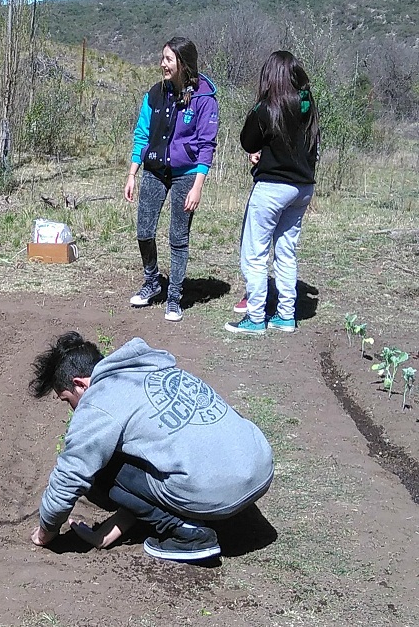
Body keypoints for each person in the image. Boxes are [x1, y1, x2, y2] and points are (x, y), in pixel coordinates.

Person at [29, 332, 274, 562]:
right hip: (259, 469)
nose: (73, 410)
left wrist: (45, 531)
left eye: (67, 400)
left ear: (80, 384)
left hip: (218, 493)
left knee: (98, 467)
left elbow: (70, 475)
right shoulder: (152, 370)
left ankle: (186, 535)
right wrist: (107, 532)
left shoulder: (99, 399)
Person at [124, 37, 219, 322]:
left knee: (178, 237)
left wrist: (197, 186)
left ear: (183, 64)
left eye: (168, 59)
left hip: (186, 175)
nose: (163, 64)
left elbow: (206, 145)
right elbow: (142, 134)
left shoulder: (204, 98)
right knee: (144, 231)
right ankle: (152, 282)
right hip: (155, 170)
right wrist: (132, 173)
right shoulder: (154, 94)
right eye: (162, 58)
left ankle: (175, 296)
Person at [226, 51, 320, 335]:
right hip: (303, 188)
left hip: (272, 189)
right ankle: (286, 316)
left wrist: (260, 152)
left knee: (254, 255)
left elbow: (247, 140)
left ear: (270, 76)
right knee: (286, 252)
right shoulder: (307, 104)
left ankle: (255, 318)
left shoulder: (267, 108)